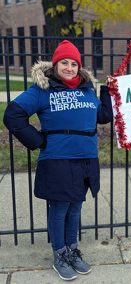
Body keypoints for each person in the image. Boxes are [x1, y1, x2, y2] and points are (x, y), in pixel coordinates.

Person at [3, 40, 113, 281]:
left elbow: (103, 116)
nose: (70, 67)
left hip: (86, 159)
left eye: (74, 63)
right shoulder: (42, 90)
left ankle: (72, 250)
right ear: (55, 65)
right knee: (60, 207)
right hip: (58, 160)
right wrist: (37, 140)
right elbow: (13, 114)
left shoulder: (86, 90)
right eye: (65, 62)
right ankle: (59, 253)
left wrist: (106, 92)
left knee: (76, 206)